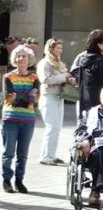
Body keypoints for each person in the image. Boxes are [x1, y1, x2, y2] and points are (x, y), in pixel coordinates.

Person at [1, 45, 40, 194]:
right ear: (14, 59)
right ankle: (6, 180)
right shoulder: (8, 77)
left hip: (27, 120)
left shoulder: (34, 78)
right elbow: (9, 98)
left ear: (29, 59)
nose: (21, 58)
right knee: (8, 152)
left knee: (23, 154)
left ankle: (19, 180)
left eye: (24, 56)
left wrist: (20, 96)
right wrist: (26, 96)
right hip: (10, 118)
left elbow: (35, 99)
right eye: (18, 56)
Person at [37, 38, 75, 166]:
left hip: (59, 97)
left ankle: (50, 155)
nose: (60, 50)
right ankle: (46, 157)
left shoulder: (59, 63)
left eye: (61, 48)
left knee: (57, 128)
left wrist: (70, 79)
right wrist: (64, 77)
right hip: (48, 97)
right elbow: (45, 79)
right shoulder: (45, 63)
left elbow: (64, 77)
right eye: (57, 48)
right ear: (50, 48)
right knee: (51, 127)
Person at [74, 89, 103, 207]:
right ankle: (97, 188)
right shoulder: (92, 112)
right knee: (99, 153)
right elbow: (80, 130)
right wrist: (84, 140)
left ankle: (96, 189)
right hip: (95, 147)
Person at [71, 29, 103, 124]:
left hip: (83, 102)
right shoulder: (99, 61)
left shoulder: (82, 58)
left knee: (85, 133)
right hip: (98, 103)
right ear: (99, 44)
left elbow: (74, 74)